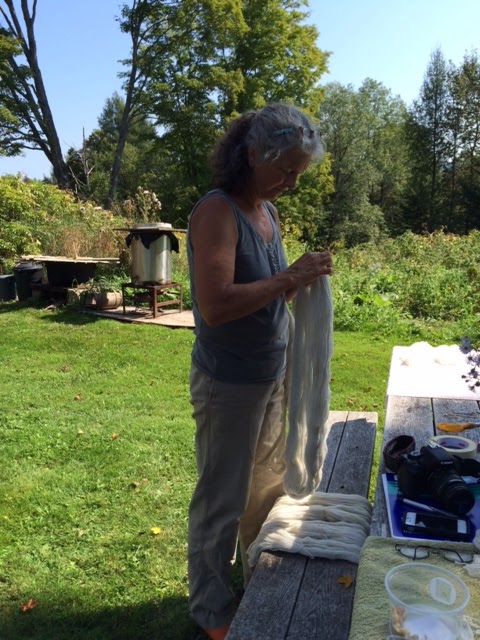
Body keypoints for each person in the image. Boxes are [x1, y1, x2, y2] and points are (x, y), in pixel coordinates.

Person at [186, 103, 333, 640]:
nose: (291, 183)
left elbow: (270, 296)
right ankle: (210, 609)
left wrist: (301, 280)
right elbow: (217, 305)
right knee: (221, 500)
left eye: (298, 173)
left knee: (264, 489)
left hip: (272, 373)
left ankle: (256, 580)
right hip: (229, 382)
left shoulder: (266, 212)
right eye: (285, 170)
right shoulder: (218, 213)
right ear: (253, 155)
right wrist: (289, 277)